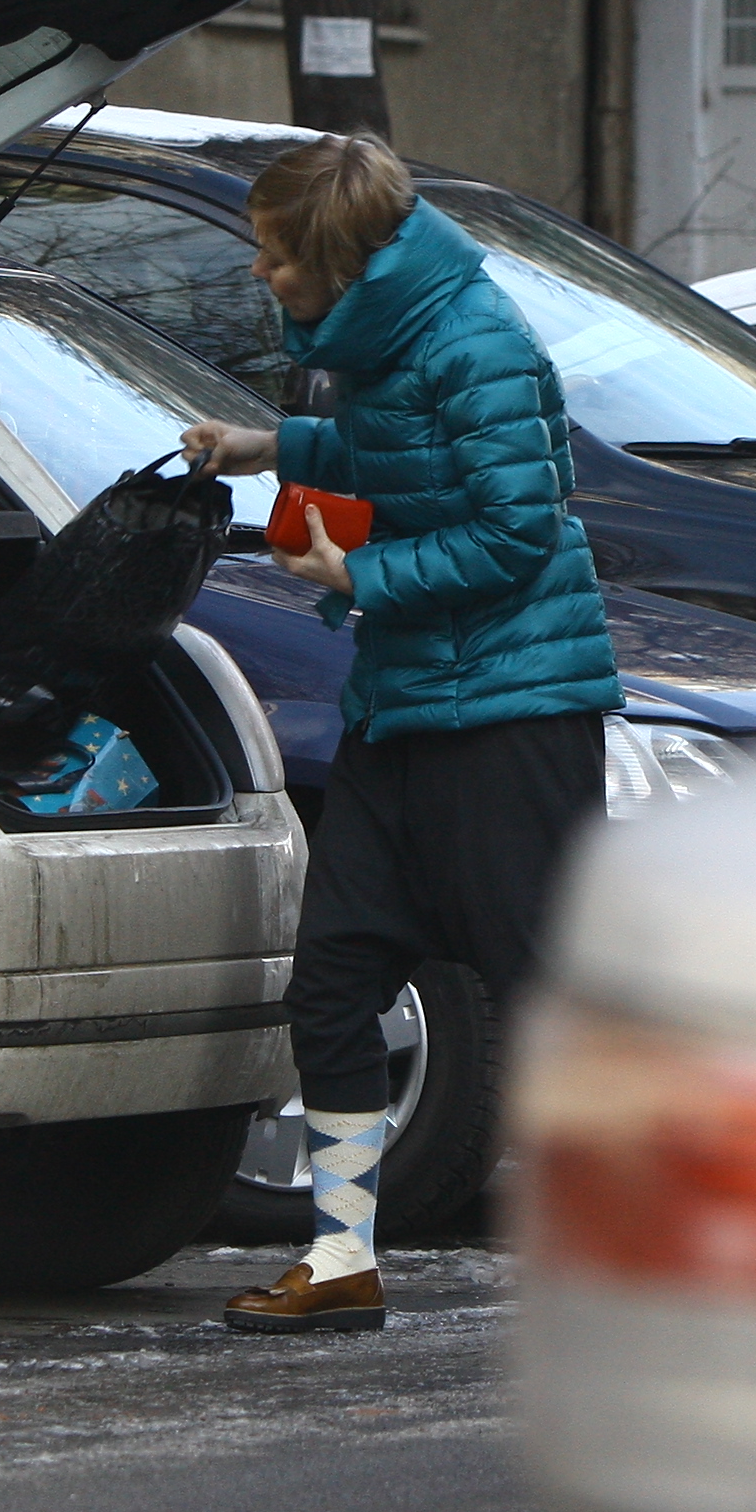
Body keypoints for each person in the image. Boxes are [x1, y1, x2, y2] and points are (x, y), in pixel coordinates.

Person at [182, 133, 620, 1334]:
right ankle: (341, 1262)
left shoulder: (476, 337)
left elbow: (517, 532)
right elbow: (397, 444)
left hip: (515, 714)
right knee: (332, 980)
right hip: (410, 702)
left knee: (546, 995)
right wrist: (268, 445)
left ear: (333, 256)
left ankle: (623, 1261)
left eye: (276, 258)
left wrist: (364, 573)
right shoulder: (387, 339)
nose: (264, 278)